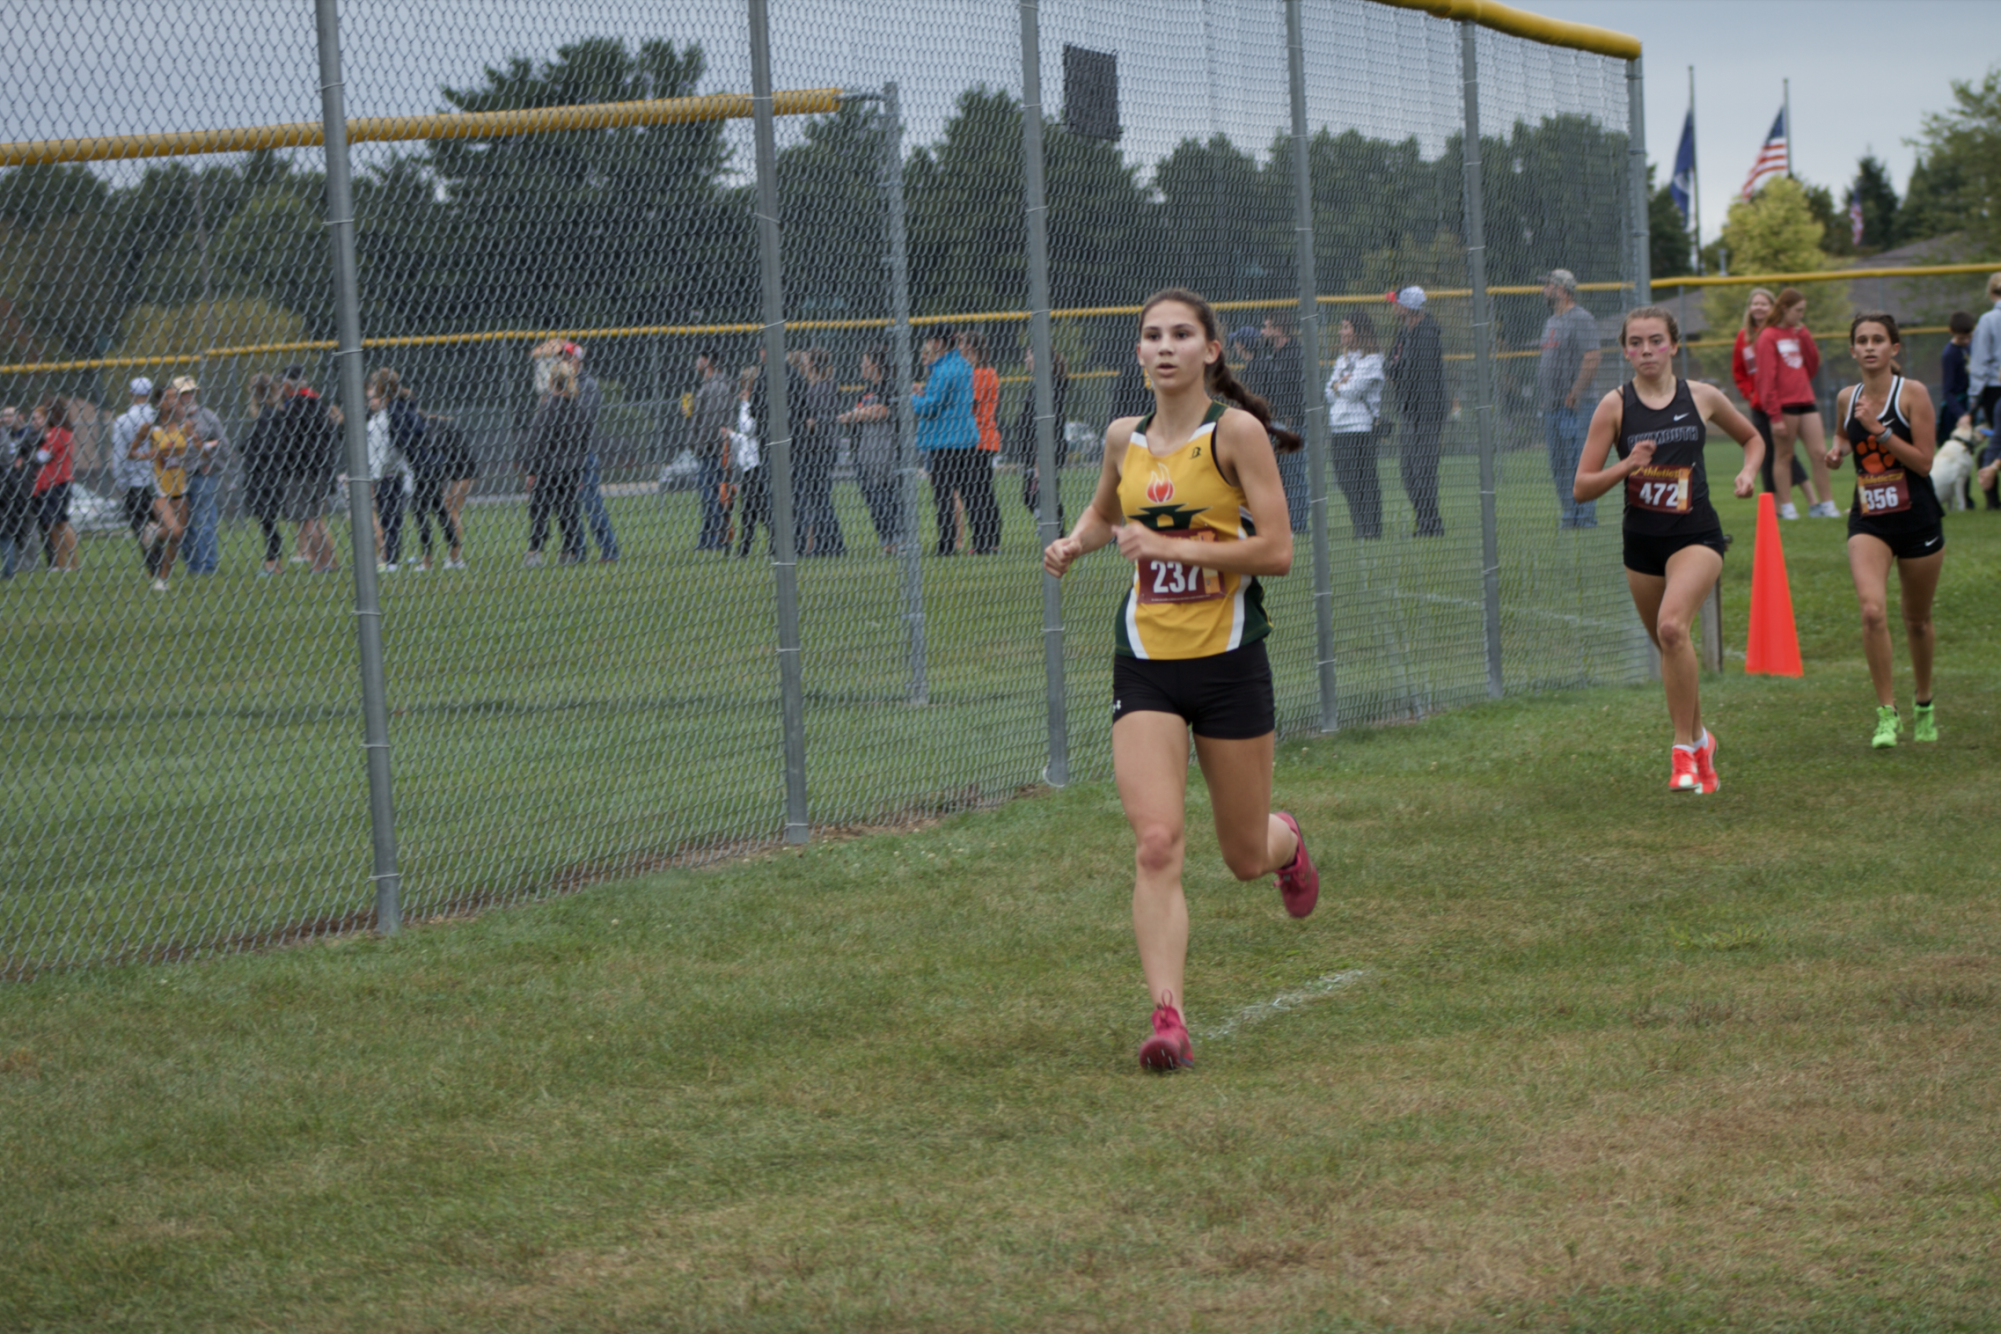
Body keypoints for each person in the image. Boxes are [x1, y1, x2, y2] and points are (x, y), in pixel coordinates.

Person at [1041, 287, 1320, 1073]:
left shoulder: (1236, 435)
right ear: (1137, 353)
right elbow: (1106, 517)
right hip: (1147, 667)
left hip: (1231, 664)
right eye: (1151, 336)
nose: (1164, 347)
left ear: (1210, 351)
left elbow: (1276, 552)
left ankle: (1286, 842)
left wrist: (1184, 553)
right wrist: (1074, 543)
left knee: (1240, 855)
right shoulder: (1121, 438)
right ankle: (1168, 1016)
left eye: (1180, 335)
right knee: (1157, 842)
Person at [1572, 306, 1761, 794]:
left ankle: (1681, 750)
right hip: (1642, 546)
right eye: (1635, 343)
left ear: (1674, 345)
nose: (1646, 351)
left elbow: (1752, 438)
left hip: (1696, 536)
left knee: (1673, 626)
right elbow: (1582, 488)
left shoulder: (1702, 396)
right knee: (1671, 646)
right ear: (1625, 351)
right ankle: (1703, 741)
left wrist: (1747, 471)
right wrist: (1628, 465)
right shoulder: (1614, 407)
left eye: (1656, 341)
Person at [1827, 314, 1946, 749]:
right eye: (1862, 340)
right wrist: (1837, 452)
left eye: (1879, 339)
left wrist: (1881, 431)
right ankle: (1886, 714)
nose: (1870, 346)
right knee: (1872, 611)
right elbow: (1843, 434)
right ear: (1853, 350)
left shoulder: (1912, 394)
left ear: (1894, 348)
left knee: (1917, 620)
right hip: (1869, 518)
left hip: (1917, 518)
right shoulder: (1847, 397)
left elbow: (1924, 462)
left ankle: (1924, 702)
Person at [1731, 287, 1819, 512]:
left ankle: (1811, 501)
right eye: (1754, 304)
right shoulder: (1744, 336)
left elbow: (1800, 367)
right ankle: (1778, 505)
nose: (1758, 308)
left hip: (1781, 403)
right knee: (1768, 454)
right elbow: (1740, 371)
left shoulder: (1783, 331)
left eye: (1763, 304)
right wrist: (1750, 393)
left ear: (1774, 307)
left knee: (1784, 454)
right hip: (1760, 404)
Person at [912, 325, 997, 555]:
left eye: (929, 340)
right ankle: (982, 543)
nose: (927, 345)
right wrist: (926, 394)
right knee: (971, 494)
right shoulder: (961, 365)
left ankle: (947, 545)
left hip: (945, 441)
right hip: (966, 439)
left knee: (943, 496)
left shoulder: (943, 370)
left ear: (938, 343)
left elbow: (931, 407)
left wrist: (911, 398)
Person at [1754, 288, 1837, 520]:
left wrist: (1805, 336)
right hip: (1784, 405)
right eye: (1798, 310)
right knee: (1784, 456)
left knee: (1820, 452)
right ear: (1784, 309)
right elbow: (1765, 379)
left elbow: (1811, 367)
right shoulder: (1768, 335)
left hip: (1806, 400)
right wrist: (1775, 416)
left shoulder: (1798, 331)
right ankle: (1788, 508)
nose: (1801, 315)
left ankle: (1827, 504)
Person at [1538, 269, 1603, 529]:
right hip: (1553, 406)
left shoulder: (1581, 318)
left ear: (1561, 289)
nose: (1544, 290)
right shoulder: (1551, 321)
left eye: (1548, 285)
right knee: (1559, 464)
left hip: (1577, 405)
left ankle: (1585, 517)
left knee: (1580, 462)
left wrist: (1576, 392)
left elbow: (1592, 356)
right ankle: (1570, 515)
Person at [1383, 286, 1445, 536]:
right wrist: (1396, 372)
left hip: (1426, 414)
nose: (1393, 307)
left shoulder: (1427, 335)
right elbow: (1391, 368)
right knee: (1408, 472)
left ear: (1407, 308)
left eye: (1396, 303)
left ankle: (1431, 525)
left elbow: (1412, 375)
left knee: (1423, 471)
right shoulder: (1404, 334)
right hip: (1408, 411)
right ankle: (1424, 520)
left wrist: (1397, 373)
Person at [522, 359, 590, 566]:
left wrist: (531, 471)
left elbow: (536, 441)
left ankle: (535, 552)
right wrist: (579, 470)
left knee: (540, 511)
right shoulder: (578, 408)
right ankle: (568, 553)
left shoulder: (547, 407)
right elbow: (584, 443)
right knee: (568, 511)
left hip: (548, 468)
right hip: (570, 468)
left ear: (551, 380)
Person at [1325, 312, 1386, 540]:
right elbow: (1328, 392)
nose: (1342, 332)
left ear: (1359, 331)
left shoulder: (1372, 359)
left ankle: (1371, 528)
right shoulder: (1343, 360)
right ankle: (1360, 525)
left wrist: (1339, 385)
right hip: (1339, 426)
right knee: (1344, 479)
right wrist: (1340, 385)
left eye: (1346, 327)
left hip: (1360, 427)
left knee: (1364, 477)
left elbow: (1353, 390)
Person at [132, 381, 197, 591]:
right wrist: (147, 455)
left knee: (177, 538)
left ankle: (162, 580)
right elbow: (130, 453)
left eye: (175, 397)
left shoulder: (185, 426)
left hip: (181, 487)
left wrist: (200, 445)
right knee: (175, 531)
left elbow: (199, 452)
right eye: (168, 397)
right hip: (159, 489)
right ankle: (153, 531)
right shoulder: (150, 429)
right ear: (159, 403)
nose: (173, 401)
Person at [276, 366, 340, 574]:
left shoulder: (293, 406)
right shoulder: (317, 402)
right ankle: (328, 561)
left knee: (307, 520)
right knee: (317, 519)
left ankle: (319, 564)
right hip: (319, 468)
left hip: (300, 470)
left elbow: (287, 442)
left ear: (287, 384)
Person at [841, 345, 904, 552]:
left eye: (865, 362)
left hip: (885, 453)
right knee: (873, 501)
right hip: (863, 452)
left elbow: (883, 411)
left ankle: (897, 540)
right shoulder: (866, 389)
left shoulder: (888, 386)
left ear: (875, 364)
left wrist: (853, 415)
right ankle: (886, 541)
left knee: (889, 498)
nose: (861, 366)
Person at [1259, 311, 1311, 537]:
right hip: (1275, 422)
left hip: (1292, 423)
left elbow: (1300, 389)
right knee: (1279, 476)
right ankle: (1283, 522)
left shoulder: (1295, 353)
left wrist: (1291, 414)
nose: (1263, 331)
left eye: (1267, 326)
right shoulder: (1273, 354)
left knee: (1294, 472)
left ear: (1278, 328)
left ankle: (1298, 524)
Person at [795, 345, 845, 557]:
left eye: (807, 360)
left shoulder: (821, 387)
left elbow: (821, 420)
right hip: (822, 447)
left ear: (813, 364)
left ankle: (831, 544)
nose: (804, 364)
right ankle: (828, 543)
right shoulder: (823, 385)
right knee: (818, 497)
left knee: (819, 497)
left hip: (819, 448)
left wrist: (807, 423)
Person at [175, 377, 228, 575]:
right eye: (182, 394)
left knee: (205, 520)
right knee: (184, 523)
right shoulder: (171, 420)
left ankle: (207, 566)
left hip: (202, 473)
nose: (186, 397)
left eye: (189, 392)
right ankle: (193, 564)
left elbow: (223, 444)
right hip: (177, 477)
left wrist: (211, 463)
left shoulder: (207, 416)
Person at [109, 379, 161, 578]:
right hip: (159, 479)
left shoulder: (122, 421)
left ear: (131, 393)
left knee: (141, 526)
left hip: (134, 481)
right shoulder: (158, 416)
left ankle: (153, 567)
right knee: (160, 523)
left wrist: (120, 481)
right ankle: (163, 563)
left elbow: (119, 453)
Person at [1011, 346, 1069, 527]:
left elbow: (1051, 424)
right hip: (1033, 450)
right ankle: (1049, 524)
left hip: (1044, 449)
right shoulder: (1039, 385)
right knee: (1031, 495)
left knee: (1037, 493)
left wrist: (1040, 456)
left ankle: (1053, 527)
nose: (1026, 360)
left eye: (1029, 356)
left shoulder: (1050, 387)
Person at [239, 374, 289, 576]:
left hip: (264, 476)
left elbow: (262, 447)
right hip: (272, 474)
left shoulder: (266, 416)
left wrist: (246, 448)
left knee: (268, 522)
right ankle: (274, 561)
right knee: (268, 521)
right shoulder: (274, 415)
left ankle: (273, 563)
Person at [689, 349, 736, 552]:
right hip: (712, 448)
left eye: (699, 359)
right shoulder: (712, 385)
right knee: (710, 497)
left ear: (707, 361)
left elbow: (711, 423)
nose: (696, 362)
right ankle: (707, 540)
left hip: (712, 449)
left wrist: (698, 445)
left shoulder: (716, 386)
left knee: (712, 496)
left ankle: (718, 539)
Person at [363, 377, 407, 572]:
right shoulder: (373, 420)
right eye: (369, 398)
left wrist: (376, 475)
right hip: (377, 475)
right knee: (383, 516)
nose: (371, 401)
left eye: (375, 397)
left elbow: (387, 451)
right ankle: (386, 556)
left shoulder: (387, 419)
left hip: (388, 476)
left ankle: (392, 559)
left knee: (391, 518)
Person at [29, 396, 78, 572]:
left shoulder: (59, 432)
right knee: (53, 525)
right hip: (48, 484)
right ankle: (59, 563)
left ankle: (73, 563)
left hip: (58, 482)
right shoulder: (56, 432)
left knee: (61, 522)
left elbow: (41, 456)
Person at [733, 366, 771, 558]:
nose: (741, 392)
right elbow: (743, 434)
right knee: (748, 509)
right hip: (748, 464)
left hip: (756, 463)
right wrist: (732, 436)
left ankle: (772, 545)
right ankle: (744, 549)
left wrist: (746, 403)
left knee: (760, 508)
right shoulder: (746, 405)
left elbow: (750, 428)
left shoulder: (753, 403)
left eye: (744, 387)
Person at [1967, 271, 2001, 439]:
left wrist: (1974, 394)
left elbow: (1980, 360)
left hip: (1995, 388)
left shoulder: (1988, 320)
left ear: (1990, 292)